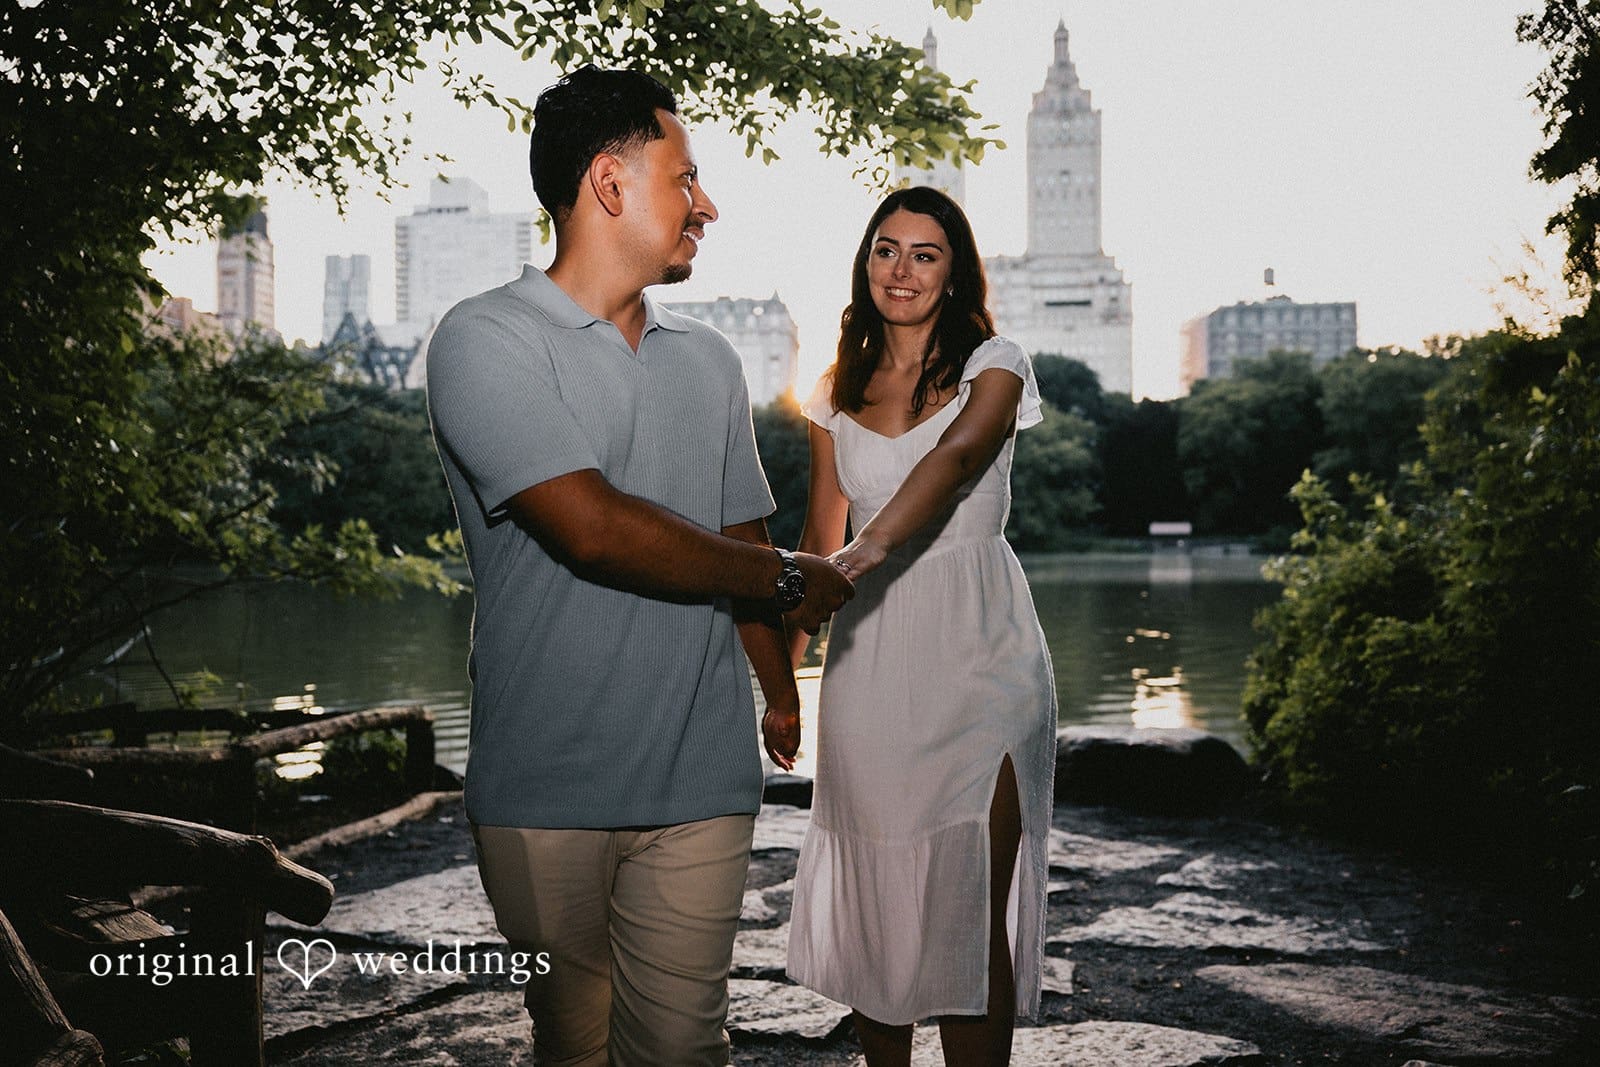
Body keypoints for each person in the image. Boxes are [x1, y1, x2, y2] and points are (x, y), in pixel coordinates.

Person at [425, 65, 852, 1066]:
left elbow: (739, 539)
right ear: (610, 184)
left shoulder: (709, 358)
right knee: (572, 1044)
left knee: (682, 1048)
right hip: (542, 786)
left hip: (701, 776)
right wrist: (791, 575)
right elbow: (594, 527)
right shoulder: (483, 338)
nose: (708, 204)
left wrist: (779, 693)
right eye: (685, 177)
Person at [780, 186, 1057, 1066]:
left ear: (954, 271)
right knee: (878, 911)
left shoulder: (997, 363)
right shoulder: (832, 389)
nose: (902, 270)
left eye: (925, 253)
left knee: (970, 912)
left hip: (984, 655)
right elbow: (818, 536)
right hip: (869, 669)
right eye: (886, 249)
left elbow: (959, 456)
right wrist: (784, 679)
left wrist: (857, 561)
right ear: (866, 263)